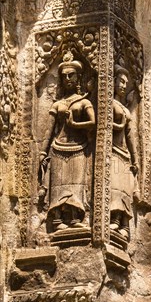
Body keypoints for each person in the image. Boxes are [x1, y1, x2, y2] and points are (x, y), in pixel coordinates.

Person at [39, 51, 95, 231]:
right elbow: (49, 130)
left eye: (71, 75)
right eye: (64, 76)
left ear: (78, 77)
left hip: (79, 148)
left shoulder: (83, 101)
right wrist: (42, 151)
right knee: (58, 185)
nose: (68, 78)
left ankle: (74, 216)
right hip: (58, 147)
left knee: (76, 184)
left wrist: (74, 124)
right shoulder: (57, 104)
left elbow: (93, 123)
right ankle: (56, 218)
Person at [109, 65, 138, 239]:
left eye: (125, 83)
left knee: (124, 190)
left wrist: (135, 160)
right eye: (120, 81)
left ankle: (123, 224)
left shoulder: (126, 110)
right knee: (113, 187)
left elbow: (130, 137)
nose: (123, 85)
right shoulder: (109, 104)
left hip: (123, 153)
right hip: (111, 150)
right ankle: (113, 218)